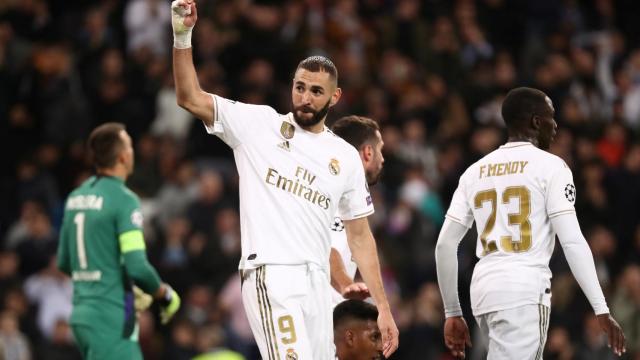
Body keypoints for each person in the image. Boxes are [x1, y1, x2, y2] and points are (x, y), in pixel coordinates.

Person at [171, 1, 399, 359]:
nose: (305, 98)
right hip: (271, 274)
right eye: (300, 87)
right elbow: (189, 97)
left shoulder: (343, 157)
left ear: (335, 97)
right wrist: (182, 36)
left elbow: (359, 236)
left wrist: (383, 307)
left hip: (318, 287)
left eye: (316, 91)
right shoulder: (257, 125)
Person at [435, 87, 626, 359]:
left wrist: (452, 311)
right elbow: (571, 241)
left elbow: (444, 245)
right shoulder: (551, 167)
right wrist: (601, 308)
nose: (556, 125)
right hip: (523, 288)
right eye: (552, 116)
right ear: (537, 121)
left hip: (483, 291)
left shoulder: (474, 172)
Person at [56, 123, 181, 359]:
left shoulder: (76, 197)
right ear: (123, 156)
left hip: (82, 316)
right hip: (109, 318)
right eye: (130, 147)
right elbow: (138, 266)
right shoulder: (124, 200)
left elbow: (64, 261)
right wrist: (164, 294)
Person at [329, 116, 385, 306]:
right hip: (312, 310)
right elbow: (323, 248)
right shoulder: (333, 193)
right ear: (368, 152)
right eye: (380, 149)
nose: (383, 158)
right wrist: (346, 284)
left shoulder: (350, 197)